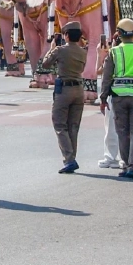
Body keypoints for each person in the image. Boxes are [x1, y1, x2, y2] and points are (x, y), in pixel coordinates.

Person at [99, 18, 133, 180]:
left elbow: (106, 77)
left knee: (122, 132)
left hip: (118, 97)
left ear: (120, 33)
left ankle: (125, 164)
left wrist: (103, 98)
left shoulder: (114, 52)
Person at [40, 21, 87, 173]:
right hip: (79, 89)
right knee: (73, 126)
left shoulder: (60, 50)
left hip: (64, 90)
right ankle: (71, 157)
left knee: (60, 125)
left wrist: (52, 49)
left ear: (66, 36)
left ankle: (69, 159)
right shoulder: (83, 51)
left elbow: (45, 64)